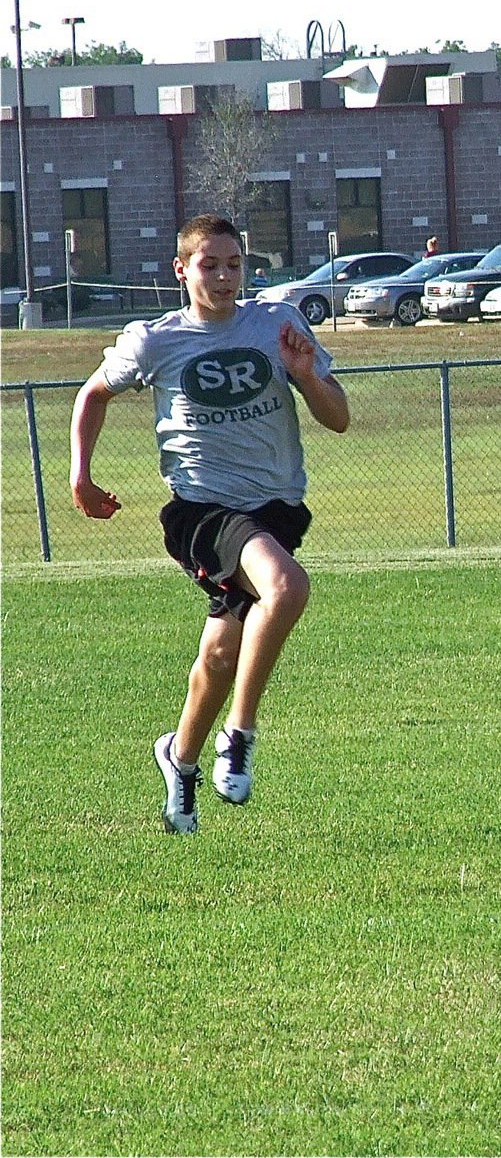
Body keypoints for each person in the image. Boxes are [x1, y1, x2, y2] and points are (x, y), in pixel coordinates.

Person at [70, 214, 350, 835]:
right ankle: (240, 738)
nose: (223, 278)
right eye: (208, 265)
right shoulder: (156, 340)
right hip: (201, 510)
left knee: (222, 653)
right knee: (287, 587)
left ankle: (180, 759)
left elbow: (338, 418)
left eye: (233, 265)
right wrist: (80, 476)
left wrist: (305, 376)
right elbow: (93, 394)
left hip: (276, 509)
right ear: (181, 269)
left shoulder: (277, 324)